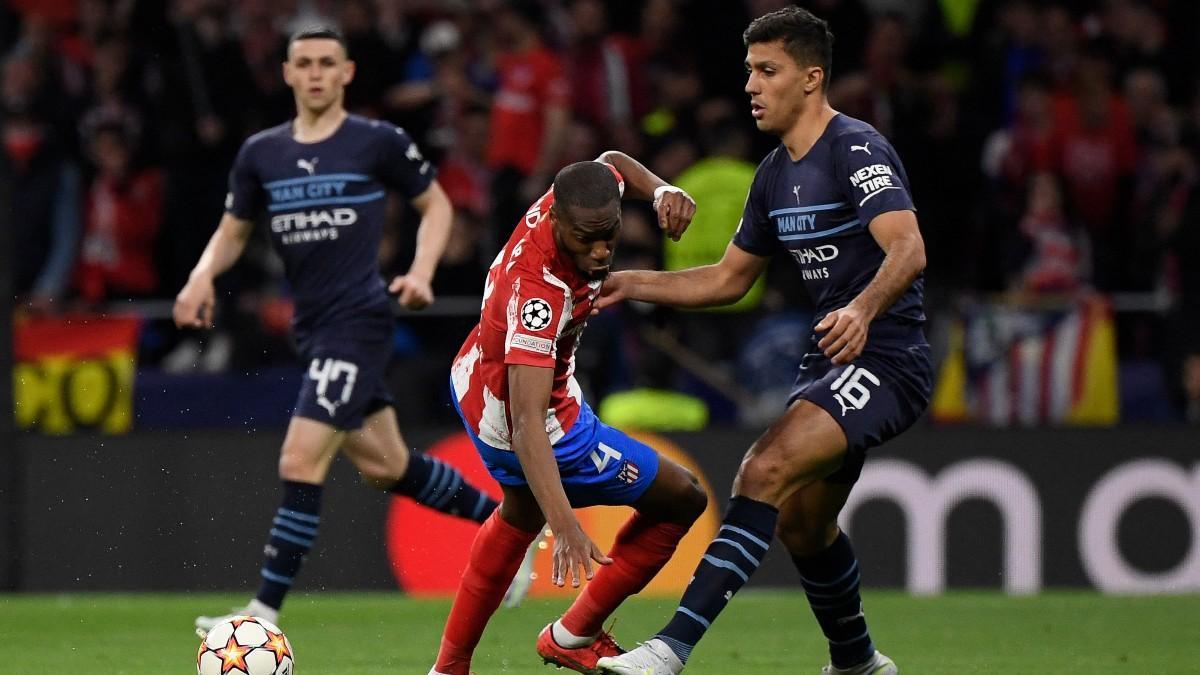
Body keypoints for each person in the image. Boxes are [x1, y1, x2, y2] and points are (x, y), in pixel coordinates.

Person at [598, 7, 929, 675]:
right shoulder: (775, 172)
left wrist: (864, 309)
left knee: (762, 469)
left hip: (887, 357)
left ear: (811, 78)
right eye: (749, 70)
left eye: (767, 71)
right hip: (829, 360)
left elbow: (909, 247)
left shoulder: (855, 148)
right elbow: (727, 279)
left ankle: (670, 648)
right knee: (804, 525)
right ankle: (859, 661)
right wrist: (632, 282)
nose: (751, 84)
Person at [173, 27, 503, 632]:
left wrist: (422, 271)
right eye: (305, 63)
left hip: (360, 321)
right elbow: (233, 228)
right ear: (288, 74)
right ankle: (505, 527)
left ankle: (261, 616)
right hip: (314, 329)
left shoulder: (376, 141)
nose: (318, 73)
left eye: (328, 62)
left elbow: (438, 205)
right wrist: (200, 278)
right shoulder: (261, 154)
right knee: (387, 465)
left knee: (301, 460)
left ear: (347, 72)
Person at [428, 155, 708, 675]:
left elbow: (612, 162)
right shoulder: (541, 293)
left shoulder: (579, 199)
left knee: (519, 512)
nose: (601, 252)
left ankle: (449, 668)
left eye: (610, 236)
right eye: (587, 240)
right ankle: (574, 634)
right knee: (682, 497)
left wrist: (662, 188)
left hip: (475, 377)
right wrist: (567, 526)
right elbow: (528, 424)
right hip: (534, 421)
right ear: (555, 221)